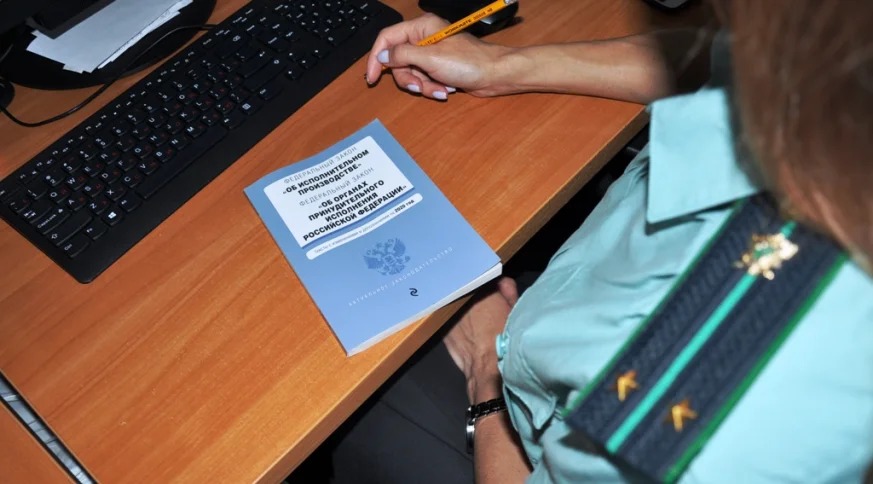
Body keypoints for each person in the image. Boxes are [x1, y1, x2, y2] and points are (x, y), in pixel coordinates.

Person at [311, 1, 873, 483]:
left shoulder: (716, 385)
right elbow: (725, 62)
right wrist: (501, 66)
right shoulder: (832, 75)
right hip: (573, 294)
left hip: (536, 417)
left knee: (348, 401)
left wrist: (485, 368)